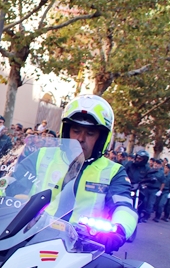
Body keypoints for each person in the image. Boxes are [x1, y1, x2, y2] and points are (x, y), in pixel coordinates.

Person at [41, 95, 138, 253]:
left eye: (90, 133)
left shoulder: (113, 171)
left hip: (85, 249)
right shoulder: (42, 156)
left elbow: (124, 207)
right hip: (32, 240)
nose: (80, 138)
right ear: (66, 131)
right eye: (76, 130)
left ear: (102, 138)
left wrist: (120, 230)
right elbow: (7, 184)